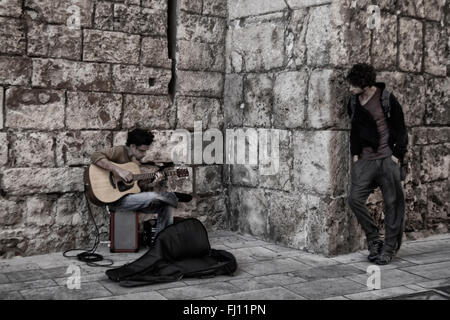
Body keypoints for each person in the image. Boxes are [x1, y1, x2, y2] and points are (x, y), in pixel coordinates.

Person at [345, 63, 408, 265]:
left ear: (364, 83)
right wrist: (355, 155)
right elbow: (354, 129)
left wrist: (397, 154)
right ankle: (374, 240)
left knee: (393, 203)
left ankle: (389, 249)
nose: (350, 88)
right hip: (365, 160)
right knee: (354, 199)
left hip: (387, 158)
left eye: (353, 85)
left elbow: (401, 127)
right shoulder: (353, 102)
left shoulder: (386, 98)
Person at [90, 128, 181, 237]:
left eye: (146, 151)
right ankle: (173, 197)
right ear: (132, 146)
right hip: (116, 202)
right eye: (142, 151)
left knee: (166, 205)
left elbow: (137, 188)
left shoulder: (135, 164)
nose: (144, 154)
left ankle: (160, 243)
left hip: (132, 201)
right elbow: (95, 156)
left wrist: (153, 183)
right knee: (152, 196)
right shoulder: (120, 151)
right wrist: (119, 170)